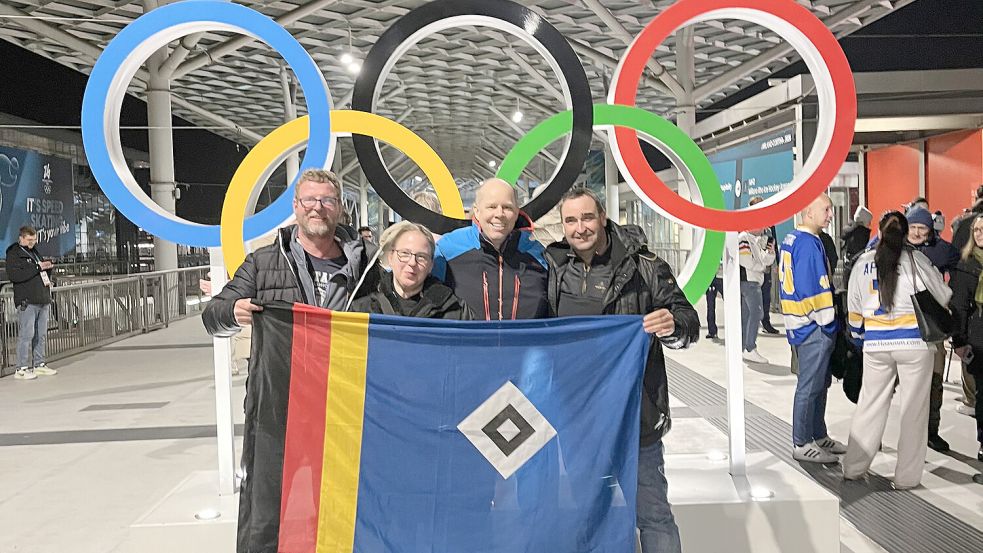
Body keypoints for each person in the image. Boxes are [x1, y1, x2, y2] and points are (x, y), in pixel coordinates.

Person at [544, 187, 699, 553]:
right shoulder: (554, 267)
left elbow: (687, 320)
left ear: (603, 217)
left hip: (635, 416)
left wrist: (672, 325)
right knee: (590, 515)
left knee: (653, 515)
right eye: (570, 220)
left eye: (587, 217)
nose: (580, 227)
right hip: (579, 420)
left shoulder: (644, 266)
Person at [844, 211, 952, 489]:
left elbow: (854, 308)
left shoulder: (863, 263)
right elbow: (943, 295)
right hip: (914, 344)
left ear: (879, 233)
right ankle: (906, 478)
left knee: (870, 405)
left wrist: (859, 335)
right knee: (914, 411)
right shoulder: (917, 261)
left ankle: (854, 467)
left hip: (875, 344)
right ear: (905, 235)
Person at [203, 168, 379, 335]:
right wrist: (231, 313)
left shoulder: (366, 264)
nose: (318, 207)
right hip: (284, 358)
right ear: (295, 206)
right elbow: (212, 315)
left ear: (339, 207)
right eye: (308, 200)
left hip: (344, 357)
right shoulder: (261, 262)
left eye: (328, 200)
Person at [779, 194, 844, 463]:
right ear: (808, 211)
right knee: (809, 386)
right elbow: (812, 288)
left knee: (818, 384)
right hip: (812, 327)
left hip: (803, 325)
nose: (830, 214)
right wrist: (827, 322)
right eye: (826, 209)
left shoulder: (792, 239)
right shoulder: (807, 243)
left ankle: (818, 434)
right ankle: (803, 442)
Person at [432, 178, 549, 320]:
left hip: (527, 335)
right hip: (465, 335)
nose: (499, 214)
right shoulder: (448, 249)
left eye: (507, 207)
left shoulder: (538, 253)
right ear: (477, 211)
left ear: (517, 212)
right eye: (492, 207)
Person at [905, 207, 960, 452]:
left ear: (930, 230)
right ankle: (910, 432)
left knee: (935, 381)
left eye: (922, 228)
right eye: (913, 227)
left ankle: (931, 430)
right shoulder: (896, 249)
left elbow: (960, 271)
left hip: (932, 325)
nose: (917, 233)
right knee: (908, 385)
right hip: (904, 326)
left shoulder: (942, 250)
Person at [350, 221, 471, 319]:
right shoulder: (363, 310)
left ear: (430, 265)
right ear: (390, 258)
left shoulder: (453, 310)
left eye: (421, 257)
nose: (412, 262)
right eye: (404, 253)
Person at [948, 213, 983, 465]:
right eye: (977, 230)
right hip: (979, 337)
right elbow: (958, 306)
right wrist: (958, 341)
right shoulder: (966, 265)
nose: (980, 234)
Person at [5, 226, 58, 380]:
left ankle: (39, 364)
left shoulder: (35, 252)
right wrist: (37, 267)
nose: (32, 242)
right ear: (21, 238)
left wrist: (47, 268)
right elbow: (15, 276)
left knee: (41, 334)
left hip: (42, 298)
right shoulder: (14, 254)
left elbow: (40, 272)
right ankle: (21, 368)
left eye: (34, 240)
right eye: (29, 240)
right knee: (26, 335)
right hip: (27, 301)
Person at [738, 208, 776, 364]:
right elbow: (746, 261)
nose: (763, 227)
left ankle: (744, 347)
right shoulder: (744, 238)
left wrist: (770, 253)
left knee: (747, 315)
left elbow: (765, 260)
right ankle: (750, 347)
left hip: (753, 280)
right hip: (749, 282)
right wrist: (761, 266)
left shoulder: (756, 239)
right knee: (756, 313)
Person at [748, 197, 781, 335]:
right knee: (752, 297)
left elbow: (774, 242)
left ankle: (766, 322)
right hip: (752, 266)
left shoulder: (769, 224)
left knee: (766, 295)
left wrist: (777, 262)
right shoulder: (747, 224)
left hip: (766, 264)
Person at [841, 206, 873, 281]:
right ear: (864, 221)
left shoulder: (851, 232)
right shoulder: (861, 234)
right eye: (869, 221)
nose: (870, 224)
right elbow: (860, 252)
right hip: (857, 268)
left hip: (848, 267)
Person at [705, 265, 723, 340]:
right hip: (714, 277)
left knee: (710, 307)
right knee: (710, 307)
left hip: (718, 277)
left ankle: (712, 331)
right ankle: (712, 331)